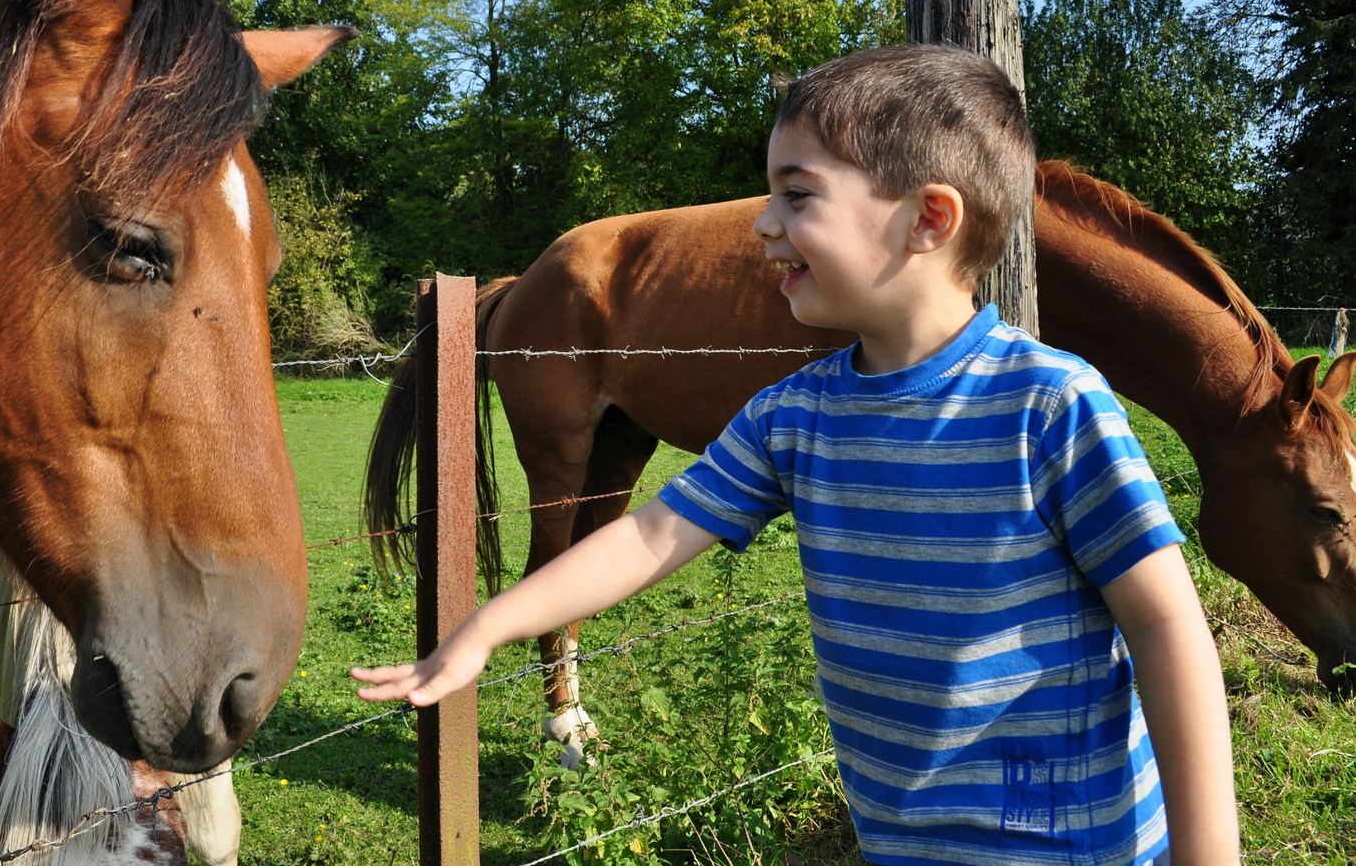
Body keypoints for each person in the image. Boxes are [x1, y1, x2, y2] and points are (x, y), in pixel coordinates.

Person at [353, 45, 1239, 866]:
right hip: (900, 840)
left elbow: (1165, 626)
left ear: (928, 219)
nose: (762, 225)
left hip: (1074, 842)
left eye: (797, 196)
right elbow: (649, 536)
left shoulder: (1050, 405)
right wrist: (487, 626)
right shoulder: (794, 416)